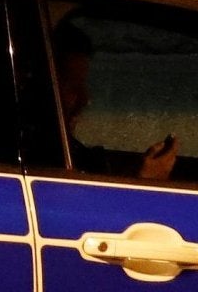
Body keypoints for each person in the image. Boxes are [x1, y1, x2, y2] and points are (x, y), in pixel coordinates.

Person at [53, 21, 179, 179]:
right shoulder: (41, 159)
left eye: (82, 86)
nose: (85, 100)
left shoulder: (68, 151)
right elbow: (79, 202)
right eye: (71, 86)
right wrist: (141, 183)